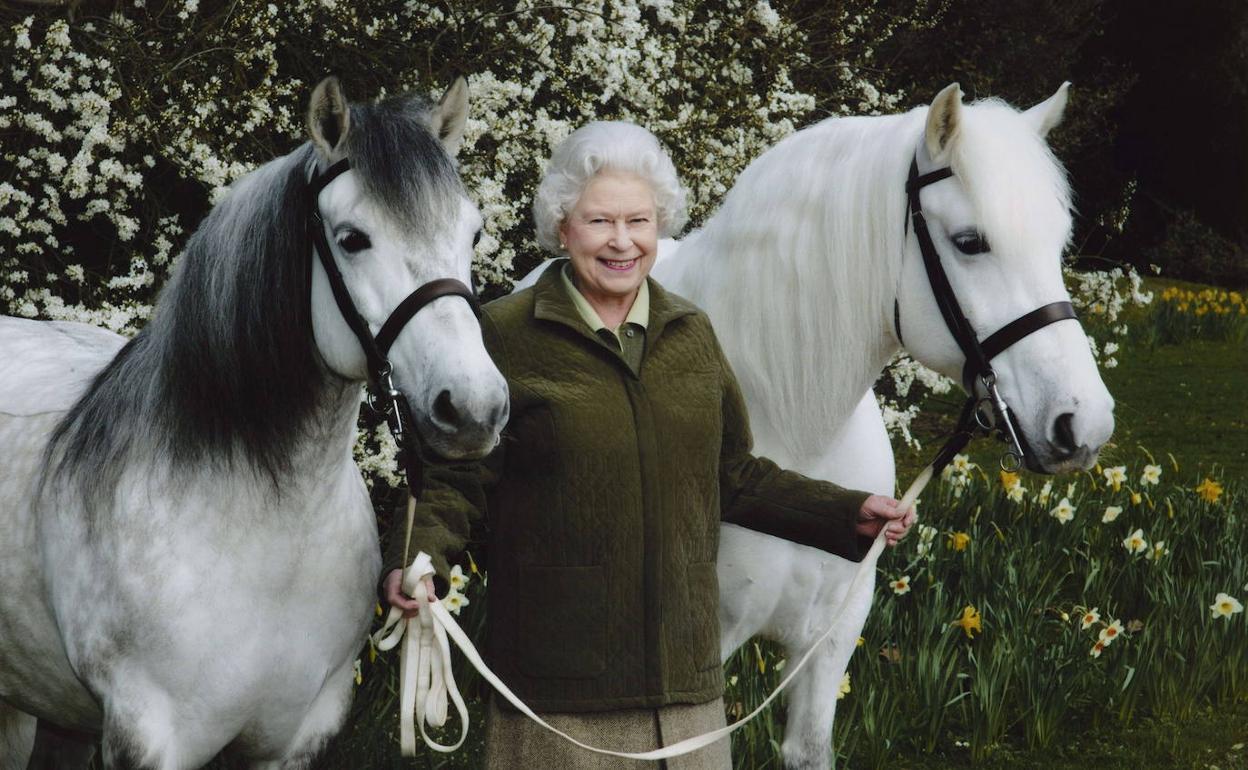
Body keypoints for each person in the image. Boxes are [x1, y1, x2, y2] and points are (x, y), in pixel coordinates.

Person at [380, 121, 914, 769]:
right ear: (562, 226)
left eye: (639, 220)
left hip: (685, 688)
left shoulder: (692, 334)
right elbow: (460, 476)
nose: (621, 241)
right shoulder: (507, 333)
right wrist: (421, 555)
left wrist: (844, 513)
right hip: (560, 692)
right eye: (599, 220)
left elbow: (734, 475)